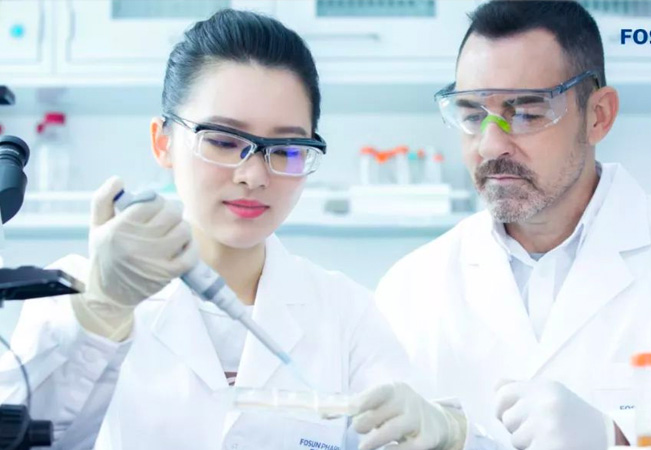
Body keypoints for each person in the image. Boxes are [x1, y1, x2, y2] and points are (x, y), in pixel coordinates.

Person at [0, 10, 474, 450]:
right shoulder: (73, 293)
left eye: (286, 150)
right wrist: (102, 311)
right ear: (163, 143)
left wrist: (446, 433)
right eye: (224, 141)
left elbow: (406, 431)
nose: (254, 175)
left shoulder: (345, 314)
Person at [374, 1, 651, 449]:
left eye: (526, 112)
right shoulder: (410, 289)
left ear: (598, 116)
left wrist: (618, 438)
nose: (491, 144)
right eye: (473, 115)